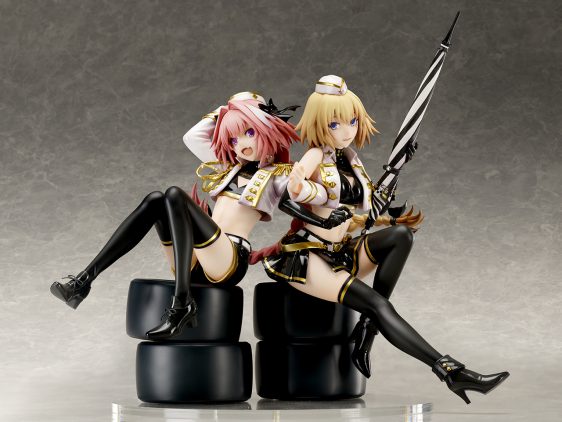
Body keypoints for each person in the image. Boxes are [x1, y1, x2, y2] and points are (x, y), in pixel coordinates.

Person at [262, 76, 509, 403]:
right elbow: (286, 195)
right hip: (309, 258)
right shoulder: (314, 157)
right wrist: (320, 209)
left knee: (400, 236)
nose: (347, 131)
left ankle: (368, 327)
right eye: (336, 124)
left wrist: (396, 174)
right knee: (380, 304)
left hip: (341, 252)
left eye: (352, 121)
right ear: (320, 123)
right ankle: (451, 372)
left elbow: (365, 209)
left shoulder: (350, 158)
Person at [51, 92, 309, 340]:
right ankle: (83, 281)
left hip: (228, 261)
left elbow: (306, 200)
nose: (241, 144)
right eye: (233, 139)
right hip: (195, 261)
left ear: (267, 127)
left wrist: (303, 188)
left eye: (249, 133)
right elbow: (192, 137)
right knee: (156, 200)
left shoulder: (280, 175)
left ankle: (182, 303)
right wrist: (228, 109)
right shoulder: (228, 167)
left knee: (175, 194)